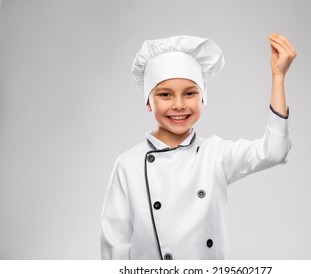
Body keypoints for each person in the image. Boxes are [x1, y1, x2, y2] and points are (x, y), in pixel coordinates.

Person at [100, 33, 297, 260]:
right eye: (165, 95)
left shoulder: (215, 154)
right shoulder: (128, 164)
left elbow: (275, 151)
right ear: (148, 101)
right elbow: (115, 244)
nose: (179, 105)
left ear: (203, 98)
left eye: (190, 93)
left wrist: (278, 77)